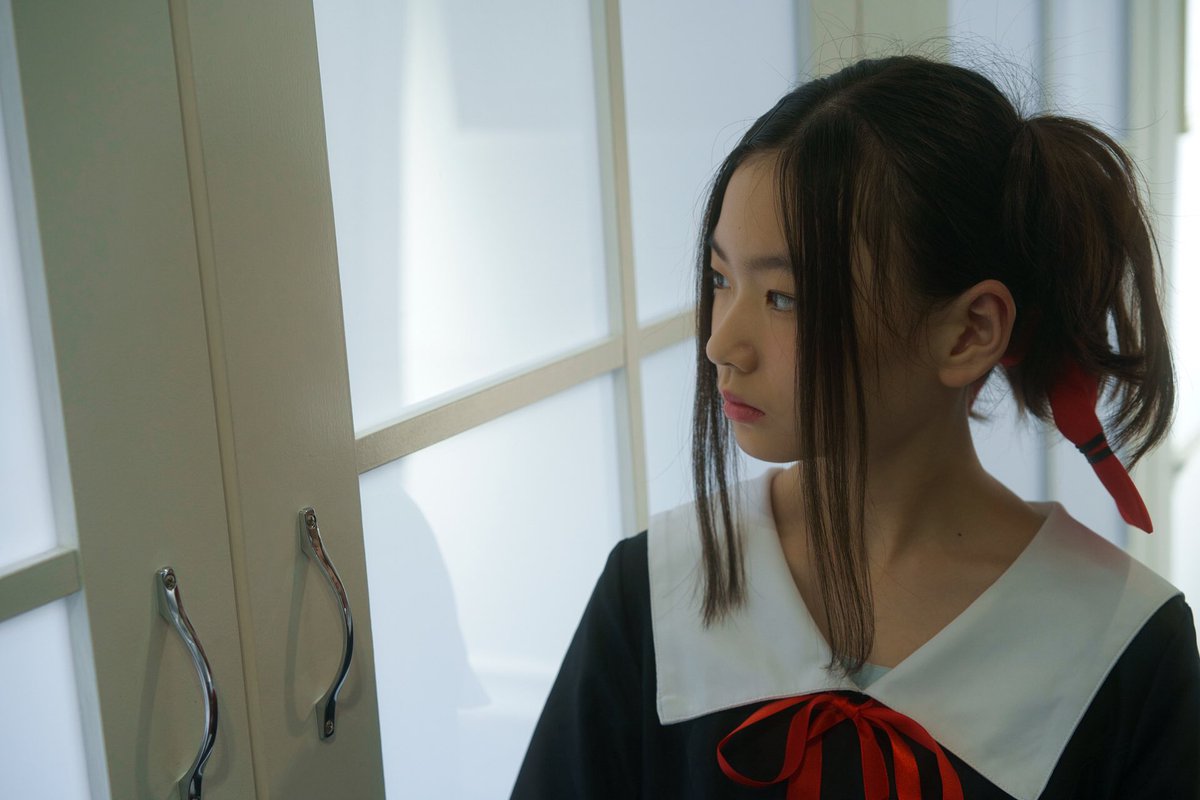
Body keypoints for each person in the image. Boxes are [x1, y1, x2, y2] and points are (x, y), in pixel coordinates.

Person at [510, 54, 1200, 799]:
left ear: (969, 331)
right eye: (720, 279)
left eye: (784, 298)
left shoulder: (1121, 647)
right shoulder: (658, 590)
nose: (721, 343)